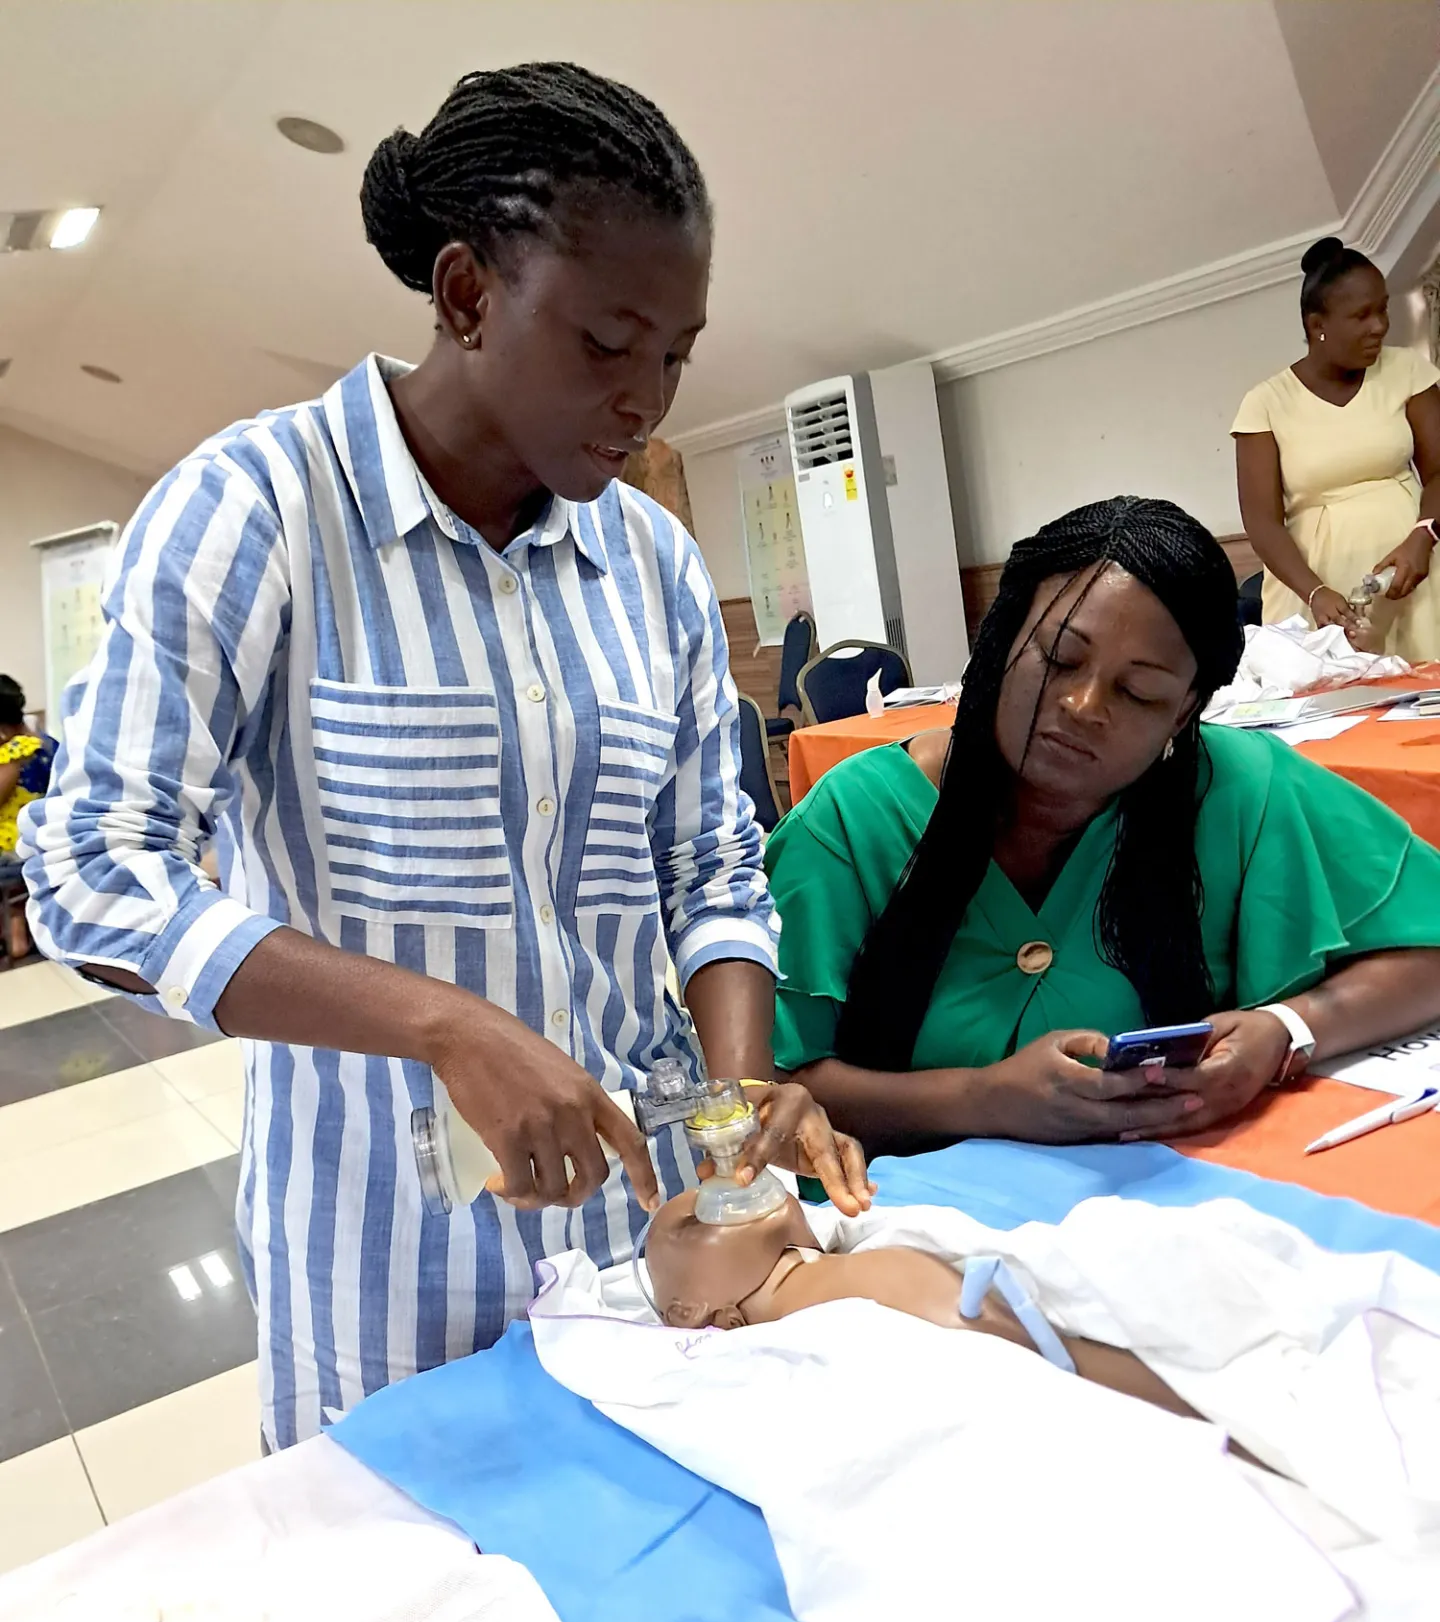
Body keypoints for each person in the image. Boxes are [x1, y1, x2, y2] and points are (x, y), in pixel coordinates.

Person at [21, 63, 866, 1450]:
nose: (645, 398)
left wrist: (730, 1105)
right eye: (608, 343)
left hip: (643, 1218)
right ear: (469, 295)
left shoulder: (647, 559)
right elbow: (92, 878)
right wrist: (446, 1024)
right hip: (386, 1239)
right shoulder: (258, 512)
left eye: (677, 356)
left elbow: (711, 855)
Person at [764, 496, 1440, 1156]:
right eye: (1059, 659)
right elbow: (771, 1090)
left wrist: (1288, 1028)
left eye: (1138, 693)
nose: (1084, 706)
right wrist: (983, 1098)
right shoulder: (851, 824)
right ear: (999, 645)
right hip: (905, 1237)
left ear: (1182, 716)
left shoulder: (1242, 788)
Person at [643, 1186, 1196, 1421]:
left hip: (1005, 1316)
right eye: (698, 1220)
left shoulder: (844, 1247)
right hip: (962, 1355)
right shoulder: (778, 1331)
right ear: (694, 1313)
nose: (727, 1189)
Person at [1233, 236, 1440, 660]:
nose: (1380, 325)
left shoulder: (1407, 370)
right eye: (1362, 315)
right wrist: (1315, 592)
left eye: (1382, 309)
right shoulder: (1266, 403)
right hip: (1318, 595)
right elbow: (1261, 522)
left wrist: (1424, 534)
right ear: (1317, 326)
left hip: (1416, 576)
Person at [0, 676, 55, 962]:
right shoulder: (46, 743)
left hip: (16, 849)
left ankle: (16, 933)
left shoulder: (12, 756)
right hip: (47, 838)